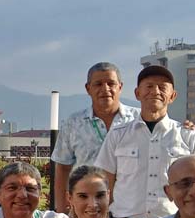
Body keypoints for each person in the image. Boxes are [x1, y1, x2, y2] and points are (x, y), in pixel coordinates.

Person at [95, 65, 195, 218]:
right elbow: (103, 183)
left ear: (173, 96)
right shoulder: (118, 135)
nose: (155, 91)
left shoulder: (189, 137)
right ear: (137, 93)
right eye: (149, 86)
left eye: (162, 87)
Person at [51, 63, 140, 210]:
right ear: (88, 88)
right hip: (87, 209)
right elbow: (63, 168)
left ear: (120, 86)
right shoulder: (73, 123)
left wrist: (187, 128)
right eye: (98, 84)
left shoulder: (138, 120)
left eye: (111, 83)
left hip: (128, 210)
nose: (105, 89)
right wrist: (61, 212)